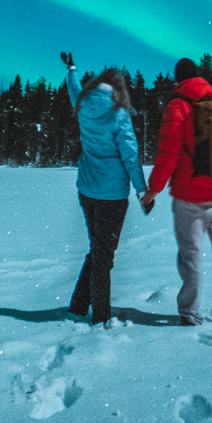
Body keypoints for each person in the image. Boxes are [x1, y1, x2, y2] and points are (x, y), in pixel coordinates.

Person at [142, 57, 212, 326]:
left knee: (191, 257)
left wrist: (152, 191)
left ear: (178, 80)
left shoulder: (176, 107)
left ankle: (190, 313)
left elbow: (168, 155)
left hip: (188, 197)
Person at [61, 51, 150, 326]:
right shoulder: (118, 113)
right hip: (111, 195)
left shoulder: (83, 102)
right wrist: (142, 191)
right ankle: (100, 317)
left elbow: (74, 88)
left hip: (86, 189)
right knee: (103, 255)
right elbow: (130, 156)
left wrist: (72, 68)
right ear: (119, 89)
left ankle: (77, 306)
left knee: (97, 249)